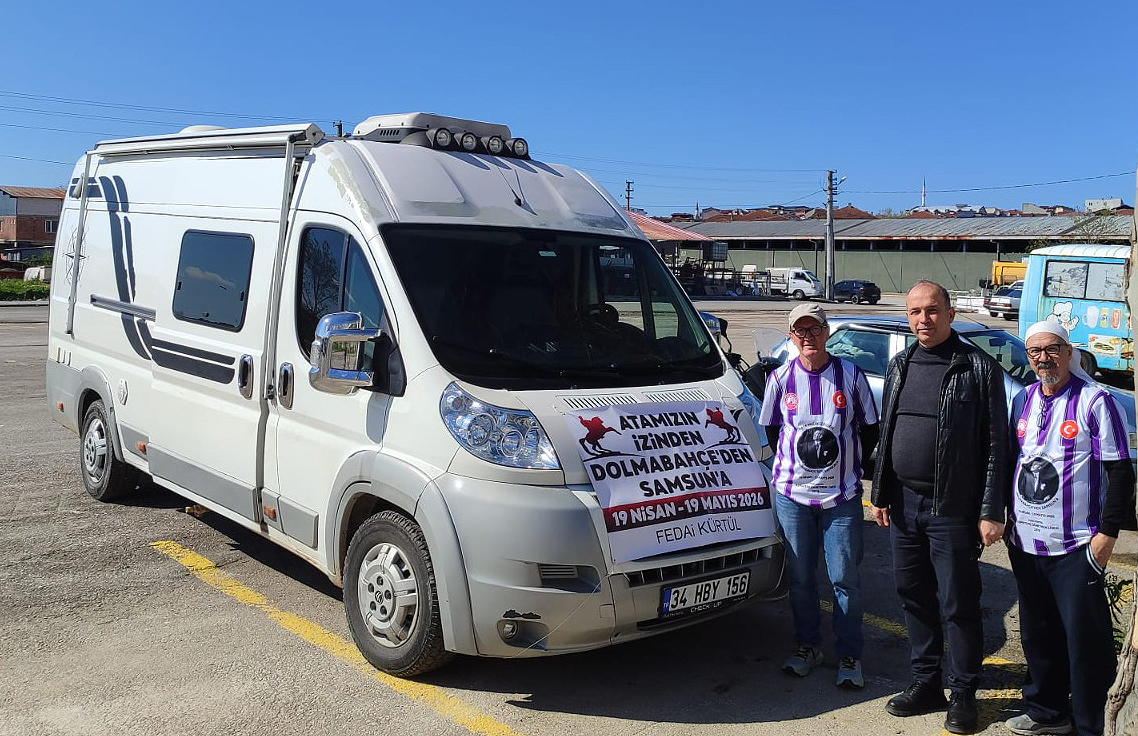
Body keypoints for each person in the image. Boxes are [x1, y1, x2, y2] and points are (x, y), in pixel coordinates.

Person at [870, 280, 1008, 734]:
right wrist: (881, 493)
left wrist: (991, 510)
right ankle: (926, 682)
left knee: (958, 603)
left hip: (952, 508)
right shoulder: (900, 365)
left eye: (931, 310)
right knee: (913, 596)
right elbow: (887, 433)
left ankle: (963, 691)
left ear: (949, 313)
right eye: (914, 312)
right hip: (904, 504)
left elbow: (996, 445)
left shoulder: (978, 367)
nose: (923, 319)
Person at [1003, 321, 1134, 736]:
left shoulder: (1096, 401)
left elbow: (1120, 472)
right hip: (1026, 543)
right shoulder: (1022, 399)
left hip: (1076, 546)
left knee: (1085, 642)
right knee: (1038, 634)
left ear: (1069, 352)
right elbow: (1011, 462)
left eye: (1052, 349)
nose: (1044, 358)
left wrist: (1106, 536)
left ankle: (1093, 724)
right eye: (1035, 351)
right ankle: (1047, 712)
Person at [758, 303, 879, 689]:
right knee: (800, 578)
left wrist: (846, 466)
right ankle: (808, 646)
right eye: (801, 331)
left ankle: (849, 654)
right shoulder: (780, 379)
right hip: (792, 497)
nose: (808, 337)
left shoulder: (850, 375)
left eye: (815, 329)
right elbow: (773, 431)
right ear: (792, 337)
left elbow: (870, 429)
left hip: (840, 497)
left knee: (844, 578)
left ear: (827, 333)